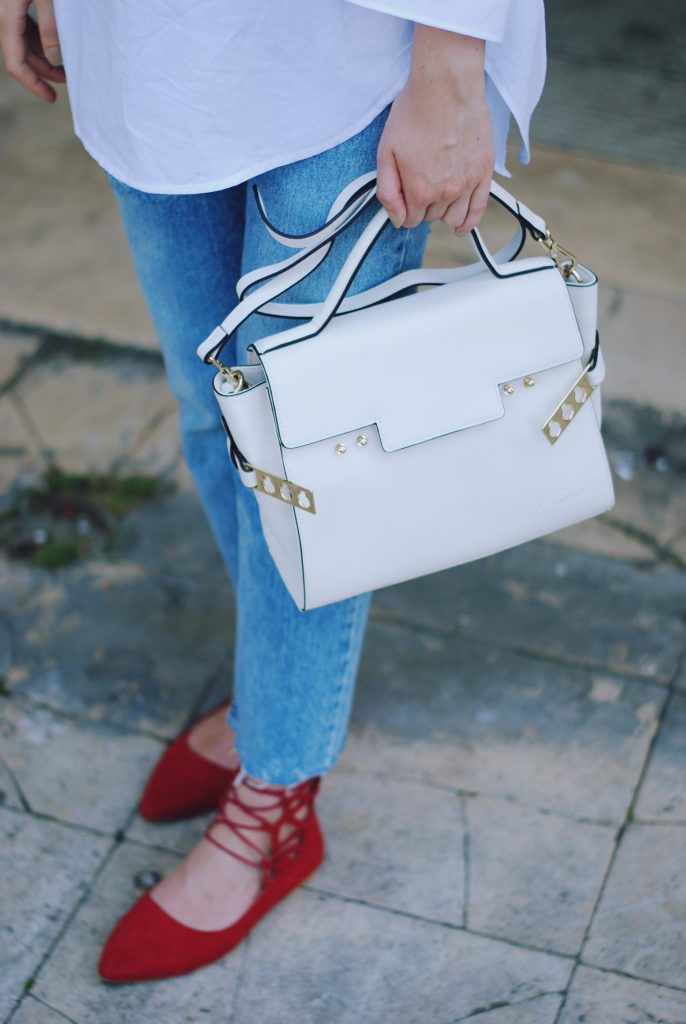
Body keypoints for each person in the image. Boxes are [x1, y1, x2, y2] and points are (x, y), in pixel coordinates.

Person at [0, 0, 546, 982]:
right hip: (144, 53)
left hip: (340, 55)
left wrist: (450, 61)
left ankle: (278, 790)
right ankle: (269, 696)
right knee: (216, 410)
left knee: (309, 454)